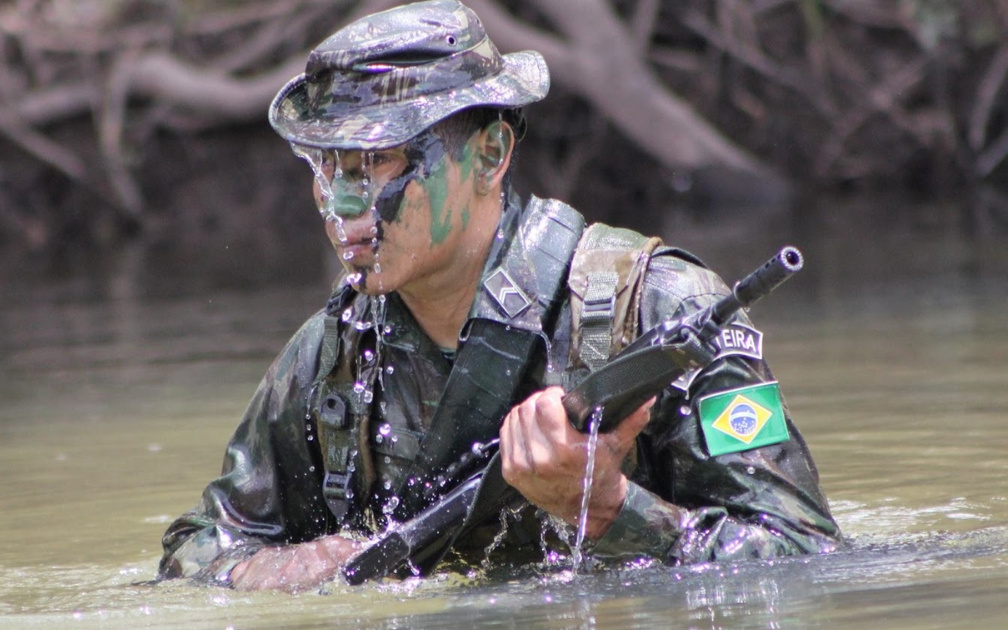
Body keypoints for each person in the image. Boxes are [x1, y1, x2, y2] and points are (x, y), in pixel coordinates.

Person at [157, 0, 841, 592]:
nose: (341, 202)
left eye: (378, 163)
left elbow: (804, 560)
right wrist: (278, 570)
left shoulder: (663, 309)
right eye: (325, 165)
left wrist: (609, 507)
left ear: (489, 155)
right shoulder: (332, 357)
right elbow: (197, 547)